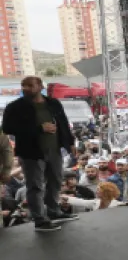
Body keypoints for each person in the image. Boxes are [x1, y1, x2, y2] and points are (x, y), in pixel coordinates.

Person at [0, 76, 77, 231]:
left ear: (40, 86)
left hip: (54, 150)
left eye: (30, 85)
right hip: (31, 153)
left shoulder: (53, 103)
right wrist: (39, 128)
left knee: (55, 181)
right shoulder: (15, 107)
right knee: (35, 186)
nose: (26, 88)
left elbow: (62, 123)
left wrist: (70, 142)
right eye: (23, 85)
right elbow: (7, 128)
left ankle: (54, 212)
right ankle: (40, 219)